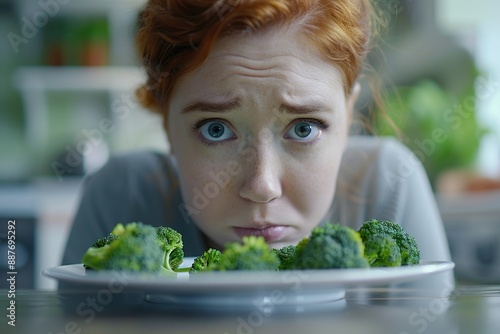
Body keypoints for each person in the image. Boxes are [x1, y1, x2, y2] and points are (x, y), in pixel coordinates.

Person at [61, 0, 453, 289]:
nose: (262, 186)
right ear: (166, 122)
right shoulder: (120, 198)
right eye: (215, 129)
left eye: (303, 129)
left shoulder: (388, 185)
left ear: (348, 115)